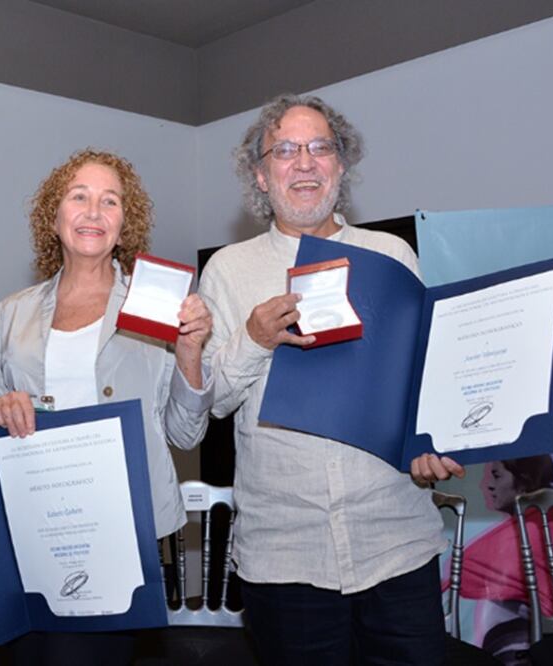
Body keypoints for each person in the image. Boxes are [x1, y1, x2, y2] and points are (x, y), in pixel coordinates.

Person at [198, 94, 463, 666]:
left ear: (341, 166)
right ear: (261, 176)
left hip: (395, 544)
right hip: (284, 554)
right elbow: (212, 403)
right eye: (285, 150)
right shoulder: (227, 270)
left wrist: (429, 446)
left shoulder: (391, 255)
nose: (305, 162)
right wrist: (253, 338)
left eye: (321, 147)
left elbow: (421, 382)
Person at [0, 148, 213, 664]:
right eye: (78, 196)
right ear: (54, 215)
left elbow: (185, 434)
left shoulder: (157, 309)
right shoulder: (10, 312)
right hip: (31, 522)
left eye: (110, 201)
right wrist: (0, 407)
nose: (92, 211)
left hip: (124, 529)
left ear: (125, 224)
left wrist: (191, 353)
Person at [476, 455, 553, 664]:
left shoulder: (532, 536)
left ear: (523, 483)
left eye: (496, 476)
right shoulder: (519, 534)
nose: (488, 485)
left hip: (521, 645)